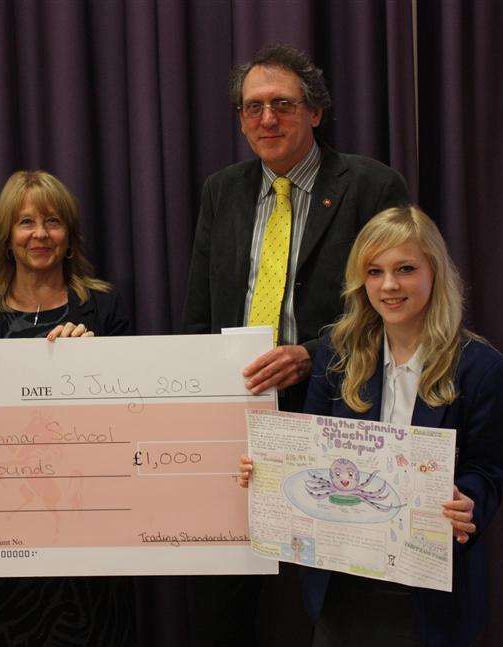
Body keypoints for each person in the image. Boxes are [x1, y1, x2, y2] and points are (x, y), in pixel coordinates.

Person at [182, 43, 409, 644]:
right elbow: (200, 311)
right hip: (236, 422)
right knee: (224, 602)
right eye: (252, 107)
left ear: (315, 112)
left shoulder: (370, 186)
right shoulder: (222, 191)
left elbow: (397, 306)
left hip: (334, 414)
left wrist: (312, 351)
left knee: (323, 604)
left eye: (282, 104)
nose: (266, 119)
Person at [239, 205, 503, 646]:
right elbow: (311, 457)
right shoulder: (336, 355)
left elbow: (491, 470)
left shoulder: (482, 369)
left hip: (428, 594)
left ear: (434, 273)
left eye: (405, 269)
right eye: (374, 271)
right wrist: (268, 473)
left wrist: (470, 502)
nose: (389, 285)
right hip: (341, 583)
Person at [0, 170, 133, 645]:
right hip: (3, 533)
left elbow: (133, 413)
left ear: (69, 237)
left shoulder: (104, 311)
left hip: (90, 527)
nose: (39, 234)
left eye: (52, 222)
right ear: (7, 238)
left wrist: (97, 360)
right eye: (25, 222)